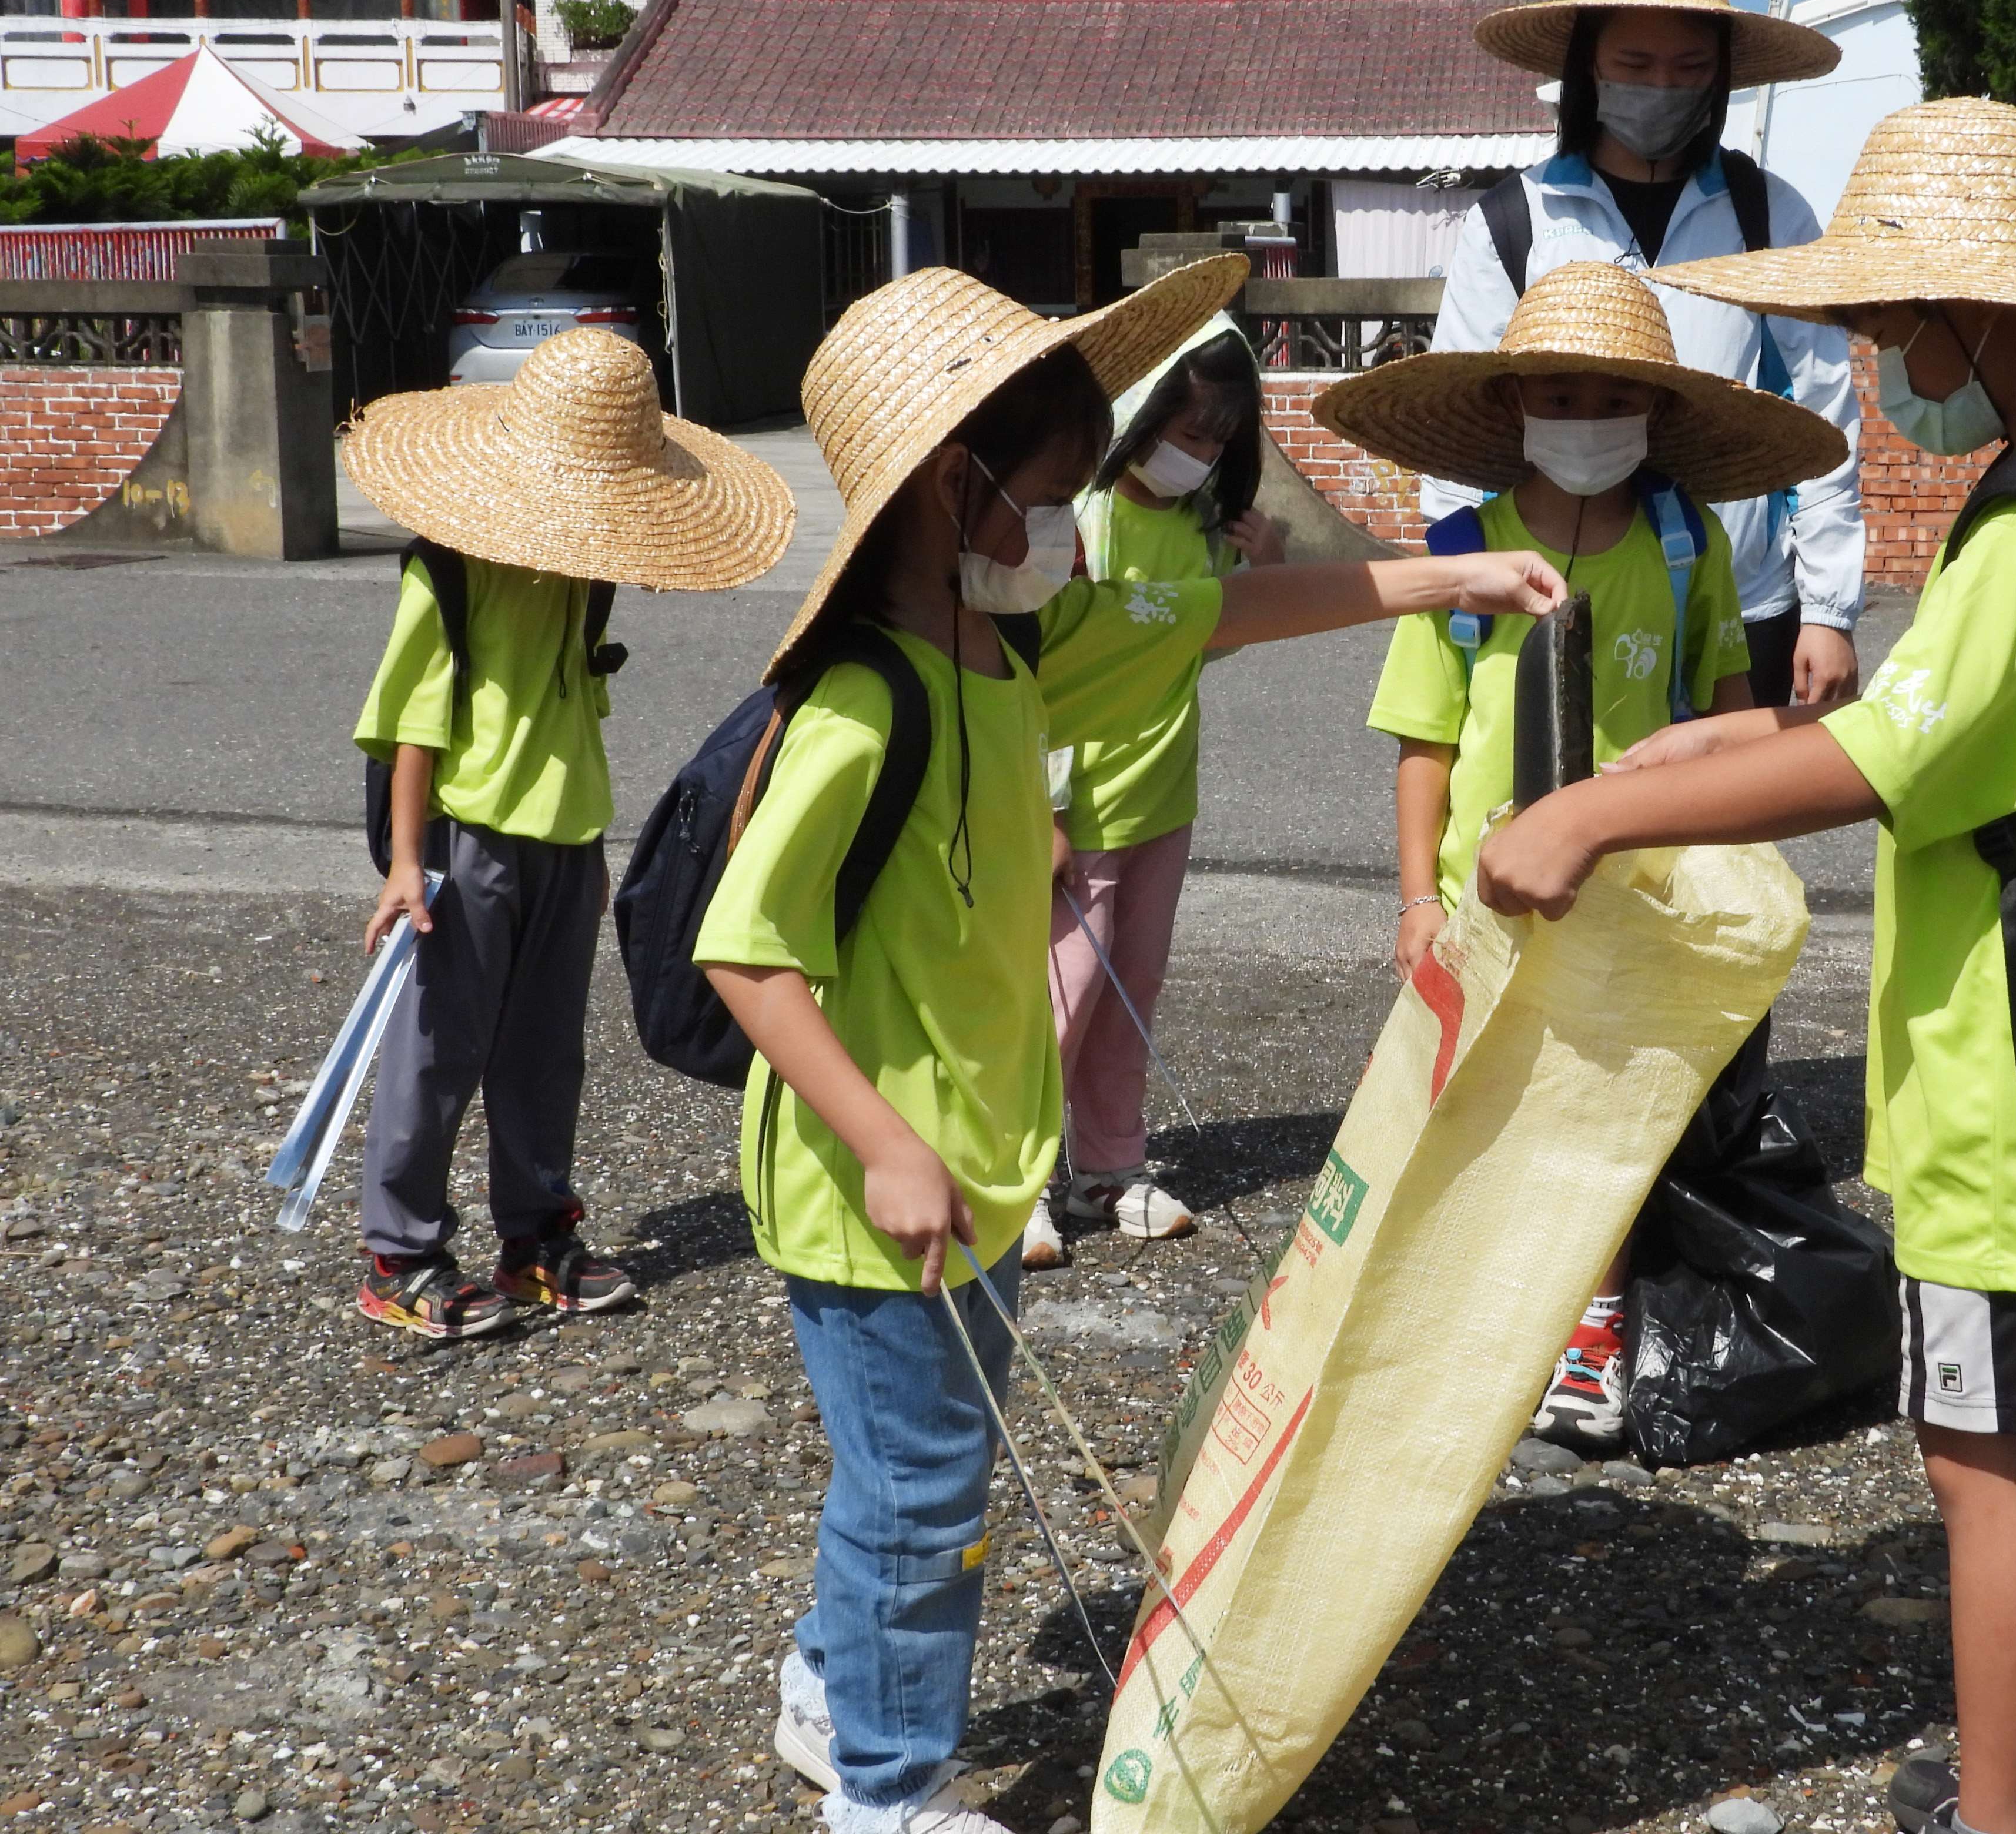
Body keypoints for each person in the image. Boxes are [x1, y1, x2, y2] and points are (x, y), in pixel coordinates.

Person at [1474, 99, 2016, 1834]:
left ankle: (2001, 1817)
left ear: (1978, 309)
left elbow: (1877, 768)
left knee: (1983, 1470)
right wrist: (1674, 760)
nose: (1884, 365)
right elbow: (1925, 719)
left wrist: (1598, 824)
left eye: (1893, 323)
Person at [688, 259, 1564, 1834]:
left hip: (975, 1160)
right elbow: (748, 955)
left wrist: (1451, 581)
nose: (1069, 529)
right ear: (954, 488)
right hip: (879, 1186)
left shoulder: (1017, 639)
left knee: (906, 1464)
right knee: (928, 1495)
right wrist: (888, 1144)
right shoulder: (863, 708)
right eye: (1048, 495)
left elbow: (1224, 611)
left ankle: (833, 1683)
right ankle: (887, 1798)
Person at [1327, 258, 1844, 1450]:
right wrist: (1415, 900)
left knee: (1601, 1117)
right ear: (1510, 406)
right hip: (1481, 897)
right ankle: (1446, 1317)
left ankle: (1590, 1320)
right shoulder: (1461, 553)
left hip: (1636, 895)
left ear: (1657, 411)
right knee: (1462, 1103)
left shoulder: (1686, 543)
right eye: (1553, 399)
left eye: (1606, 400)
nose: (1581, 423)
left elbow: (1726, 714)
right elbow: (1424, 745)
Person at [347, 326, 796, 1338]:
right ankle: (401, 1252)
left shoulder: (580, 577)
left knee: (546, 1052)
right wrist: (407, 865)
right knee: (436, 1050)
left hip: (560, 845)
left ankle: (535, 1234)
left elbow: (573, 721)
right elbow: (413, 724)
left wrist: (589, 853)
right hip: (468, 848)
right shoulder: (449, 573)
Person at [1426, 0, 1865, 709]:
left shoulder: (1772, 217)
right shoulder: (1512, 223)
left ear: (1721, 76)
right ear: (1589, 61)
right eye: (1635, 62)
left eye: (1689, 66)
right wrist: (1459, 591)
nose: (1662, 85)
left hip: (1743, 605)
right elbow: (1461, 426)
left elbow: (1826, 417)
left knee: (1727, 831)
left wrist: (1830, 611)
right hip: (1555, 594)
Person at [1025, 317, 1286, 1267]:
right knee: (1058, 996)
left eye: (1218, 442)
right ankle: (1012, 1182)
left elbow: (1200, 642)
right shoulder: (1080, 522)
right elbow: (1042, 671)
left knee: (1131, 990)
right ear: (1136, 417)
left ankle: (1107, 1169)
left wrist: (1268, 577)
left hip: (1163, 798)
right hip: (1079, 808)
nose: (1199, 457)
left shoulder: (1196, 526)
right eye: (1187, 434)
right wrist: (1045, 812)